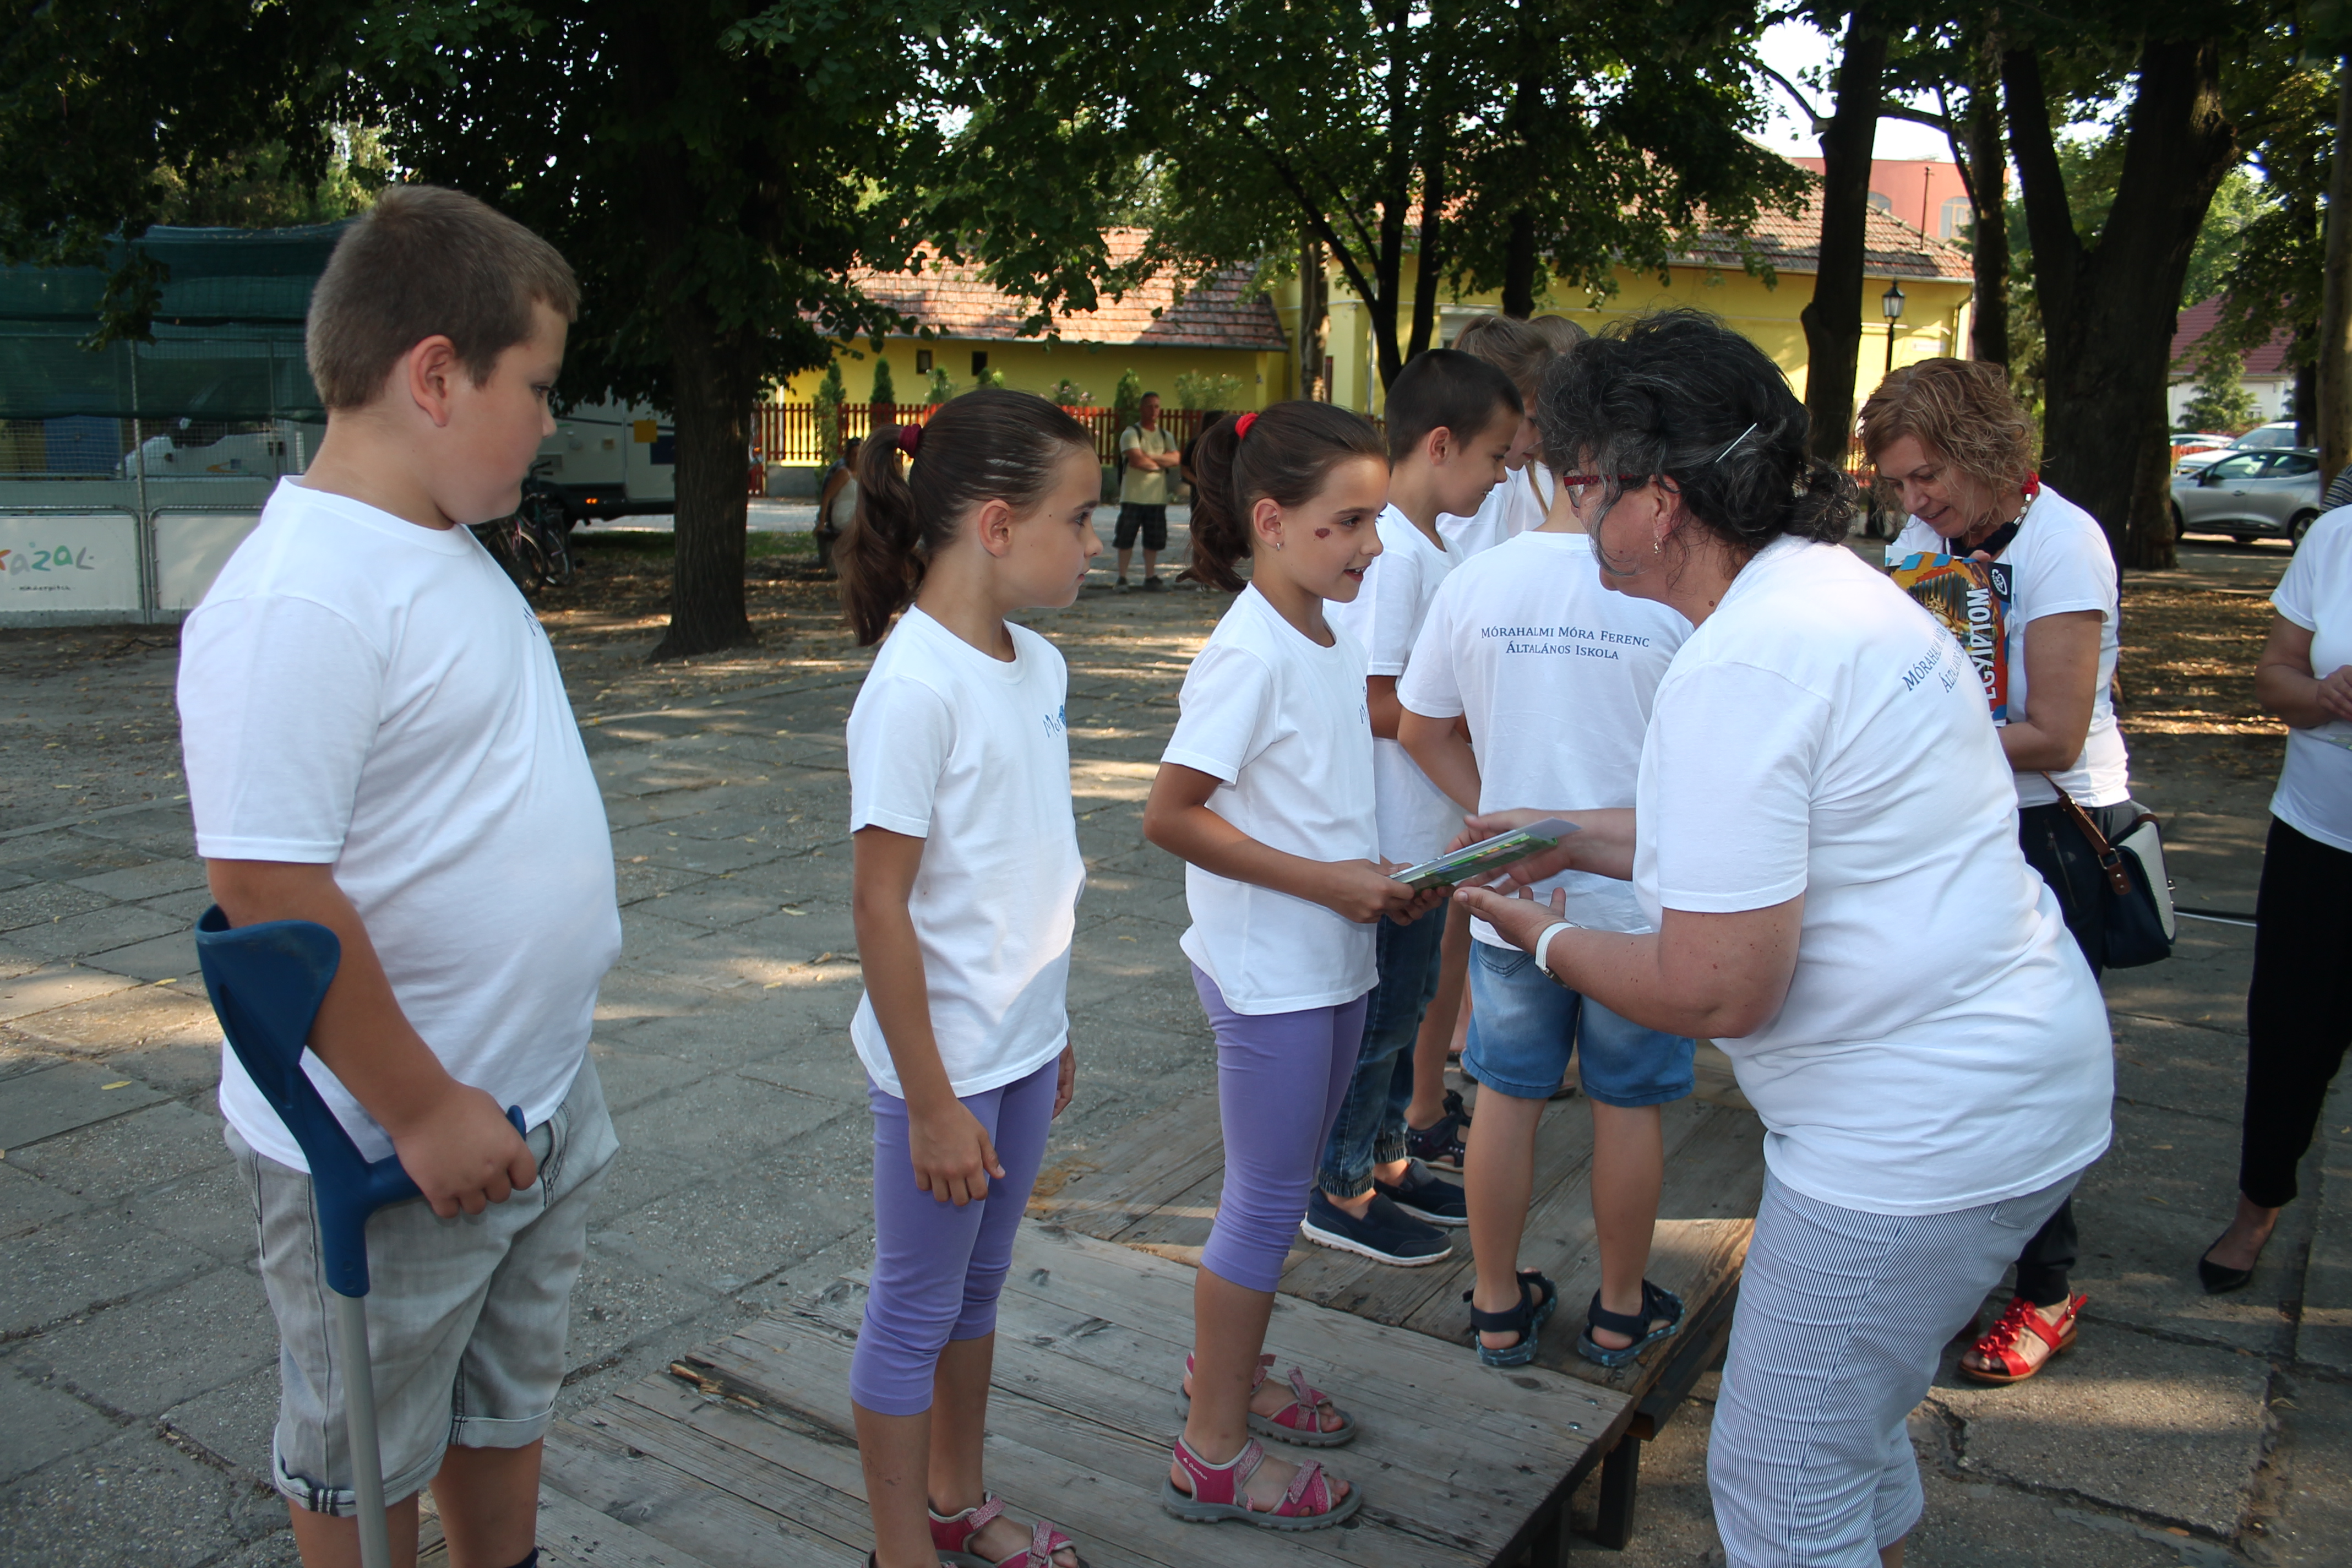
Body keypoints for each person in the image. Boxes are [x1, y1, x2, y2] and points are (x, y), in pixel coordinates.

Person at [1456, 310, 2112, 1568]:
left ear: (1657, 497)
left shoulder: (1742, 668)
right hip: (2008, 1076)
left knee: (1774, 1476)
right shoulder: (1831, 594)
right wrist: (1574, 838)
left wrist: (1539, 940)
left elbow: (1715, 987)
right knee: (1845, 1430)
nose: (1572, 511)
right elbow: (1772, 834)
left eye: (1582, 482)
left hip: (1914, 1136)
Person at [178, 186, 624, 1568]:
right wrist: (423, 1106)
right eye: (537, 387)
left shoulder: (439, 543)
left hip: (529, 1095)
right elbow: (266, 885)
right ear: (435, 374)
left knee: (503, 1396)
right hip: (395, 1145)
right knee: (364, 1448)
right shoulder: (301, 594)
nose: (550, 421)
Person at [1143, 401, 1446, 1530]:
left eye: (1376, 518)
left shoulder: (1326, 630)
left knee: (1275, 1197)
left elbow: (1312, 804)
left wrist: (1379, 874)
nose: (1374, 543)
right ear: (1271, 521)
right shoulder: (1249, 652)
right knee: (1266, 1203)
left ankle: (1226, 1369)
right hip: (1272, 973)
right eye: (1349, 521)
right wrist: (1333, 883)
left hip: (1331, 960)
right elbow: (1171, 815)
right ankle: (1213, 1450)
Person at [836, 390, 1102, 1568]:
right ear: (997, 525)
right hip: (940, 1070)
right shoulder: (914, 688)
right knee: (914, 1307)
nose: (1094, 541)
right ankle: (903, 1547)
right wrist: (932, 1099)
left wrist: (1050, 1021)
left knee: (979, 1287)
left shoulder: (1037, 665)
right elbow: (880, 904)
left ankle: (955, 1496)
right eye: (1078, 518)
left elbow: (1025, 863)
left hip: (1020, 1046)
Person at [1398, 415, 1695, 1368]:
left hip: (1510, 901)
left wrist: (1498, 826)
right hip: (1638, 904)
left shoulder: (1477, 581)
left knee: (1505, 1095)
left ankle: (1495, 1303)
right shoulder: (1673, 589)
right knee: (1629, 1103)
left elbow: (1419, 727)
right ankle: (1619, 1309)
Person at [1865, 360, 2131, 1384]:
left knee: (2025, 1071)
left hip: (2052, 830)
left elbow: (2055, 732)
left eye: (1927, 475)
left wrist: (1911, 737)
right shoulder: (1922, 543)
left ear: (1983, 451)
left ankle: (2047, 1289)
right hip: (1957, 820)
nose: (1914, 500)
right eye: (1898, 482)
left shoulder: (2062, 542)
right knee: (1943, 1062)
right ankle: (1957, 1263)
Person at [1305, 350, 1521, 1267]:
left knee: (1414, 999)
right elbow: (1370, 698)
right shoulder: (1393, 557)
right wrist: (1463, 721)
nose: (1505, 475)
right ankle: (1340, 1183)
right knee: (1385, 1014)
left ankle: (1389, 1154)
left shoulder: (1426, 549)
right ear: (1440, 444)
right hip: (1391, 830)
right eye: (1496, 455)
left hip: (1424, 829)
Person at [2199, 501, 2352, 1293]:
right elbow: (2275, 676)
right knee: (2291, 1036)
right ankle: (2257, 1208)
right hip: (2318, 840)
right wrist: (2325, 695)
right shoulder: (2337, 537)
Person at [1115, 390, 1179, 590]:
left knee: (1154, 541)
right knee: (1125, 539)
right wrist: (1159, 462)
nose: (1153, 410)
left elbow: (1176, 460)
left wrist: (1148, 456)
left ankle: (1150, 577)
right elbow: (1137, 460)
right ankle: (1122, 578)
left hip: (1156, 498)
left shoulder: (1165, 435)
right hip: (1133, 497)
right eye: (1149, 406)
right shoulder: (1131, 434)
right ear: (1141, 408)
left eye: (1157, 406)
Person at [814, 435, 863, 576]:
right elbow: (827, 497)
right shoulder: (843, 473)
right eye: (854, 455)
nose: (857, 458)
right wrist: (822, 523)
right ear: (848, 456)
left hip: (856, 514)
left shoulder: (864, 475)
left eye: (860, 454)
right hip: (843, 515)